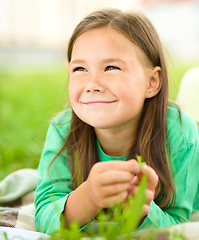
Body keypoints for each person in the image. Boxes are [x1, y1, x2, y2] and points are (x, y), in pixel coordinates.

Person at [34, 8, 199, 234]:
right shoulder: (63, 130)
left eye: (111, 67)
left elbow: (180, 224)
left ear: (152, 82)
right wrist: (87, 197)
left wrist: (141, 211)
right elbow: (44, 214)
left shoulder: (180, 132)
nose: (92, 84)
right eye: (80, 68)